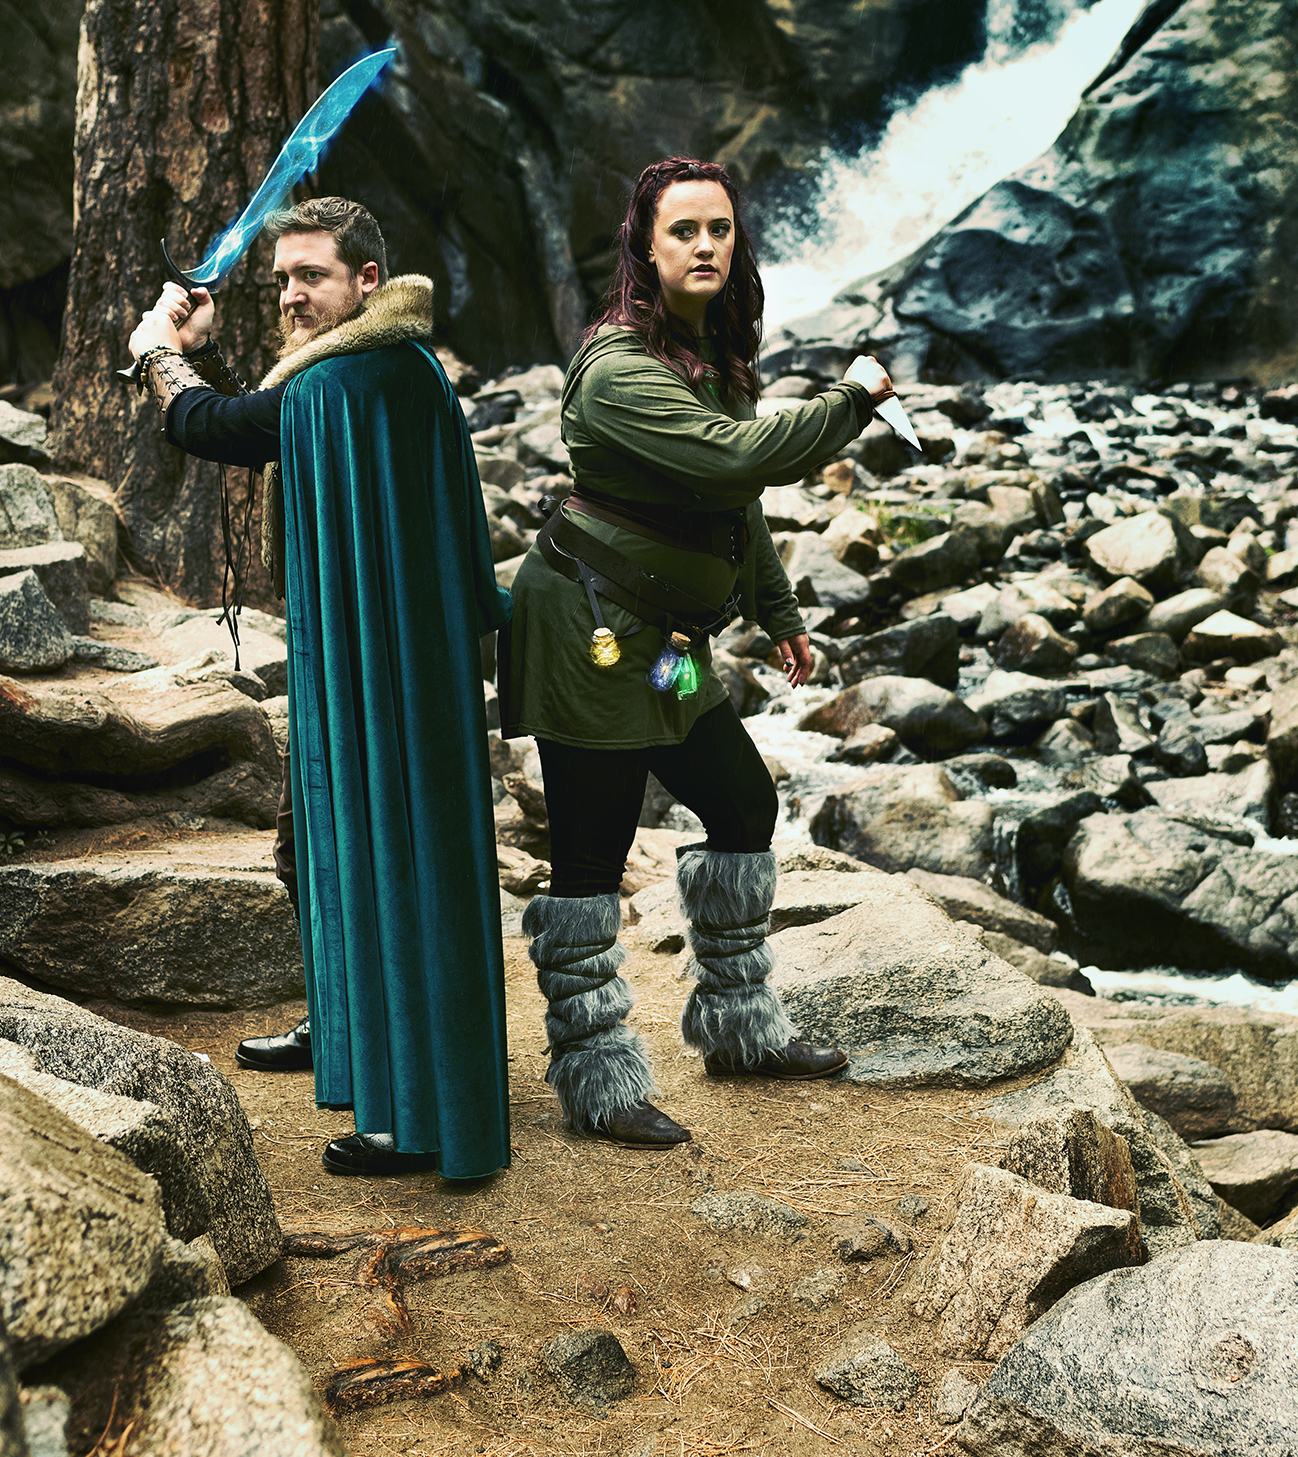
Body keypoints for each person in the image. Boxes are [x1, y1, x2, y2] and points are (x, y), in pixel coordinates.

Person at [501, 157, 893, 1150]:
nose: (706, 245)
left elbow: (729, 499)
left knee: (738, 799)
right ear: (645, 247)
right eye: (684, 230)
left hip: (668, 652)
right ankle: (594, 1076)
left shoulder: (708, 355)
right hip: (589, 640)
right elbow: (737, 458)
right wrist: (848, 400)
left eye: (719, 228)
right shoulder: (619, 366)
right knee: (590, 849)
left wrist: (775, 606)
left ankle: (737, 1026)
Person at [125, 196, 511, 1182]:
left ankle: (403, 1120)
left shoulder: (341, 384)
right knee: (328, 841)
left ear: (365, 280)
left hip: (380, 676)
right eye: (283, 278)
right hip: (399, 662)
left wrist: (157, 349)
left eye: (313, 276)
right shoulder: (394, 366)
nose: (292, 295)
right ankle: (350, 1027)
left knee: (381, 852)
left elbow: (215, 423)